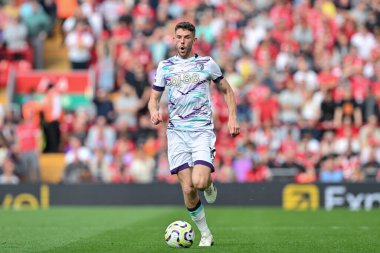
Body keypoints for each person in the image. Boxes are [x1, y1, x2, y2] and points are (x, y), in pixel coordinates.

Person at [148, 21, 240, 247]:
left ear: (194, 40)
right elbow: (154, 98)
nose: (182, 41)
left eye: (186, 37)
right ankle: (206, 234)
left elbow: (227, 90)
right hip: (176, 134)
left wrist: (233, 117)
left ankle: (208, 184)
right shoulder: (165, 66)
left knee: (199, 182)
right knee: (188, 188)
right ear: (173, 39)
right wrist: (153, 111)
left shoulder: (206, 64)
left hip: (201, 131)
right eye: (178, 37)